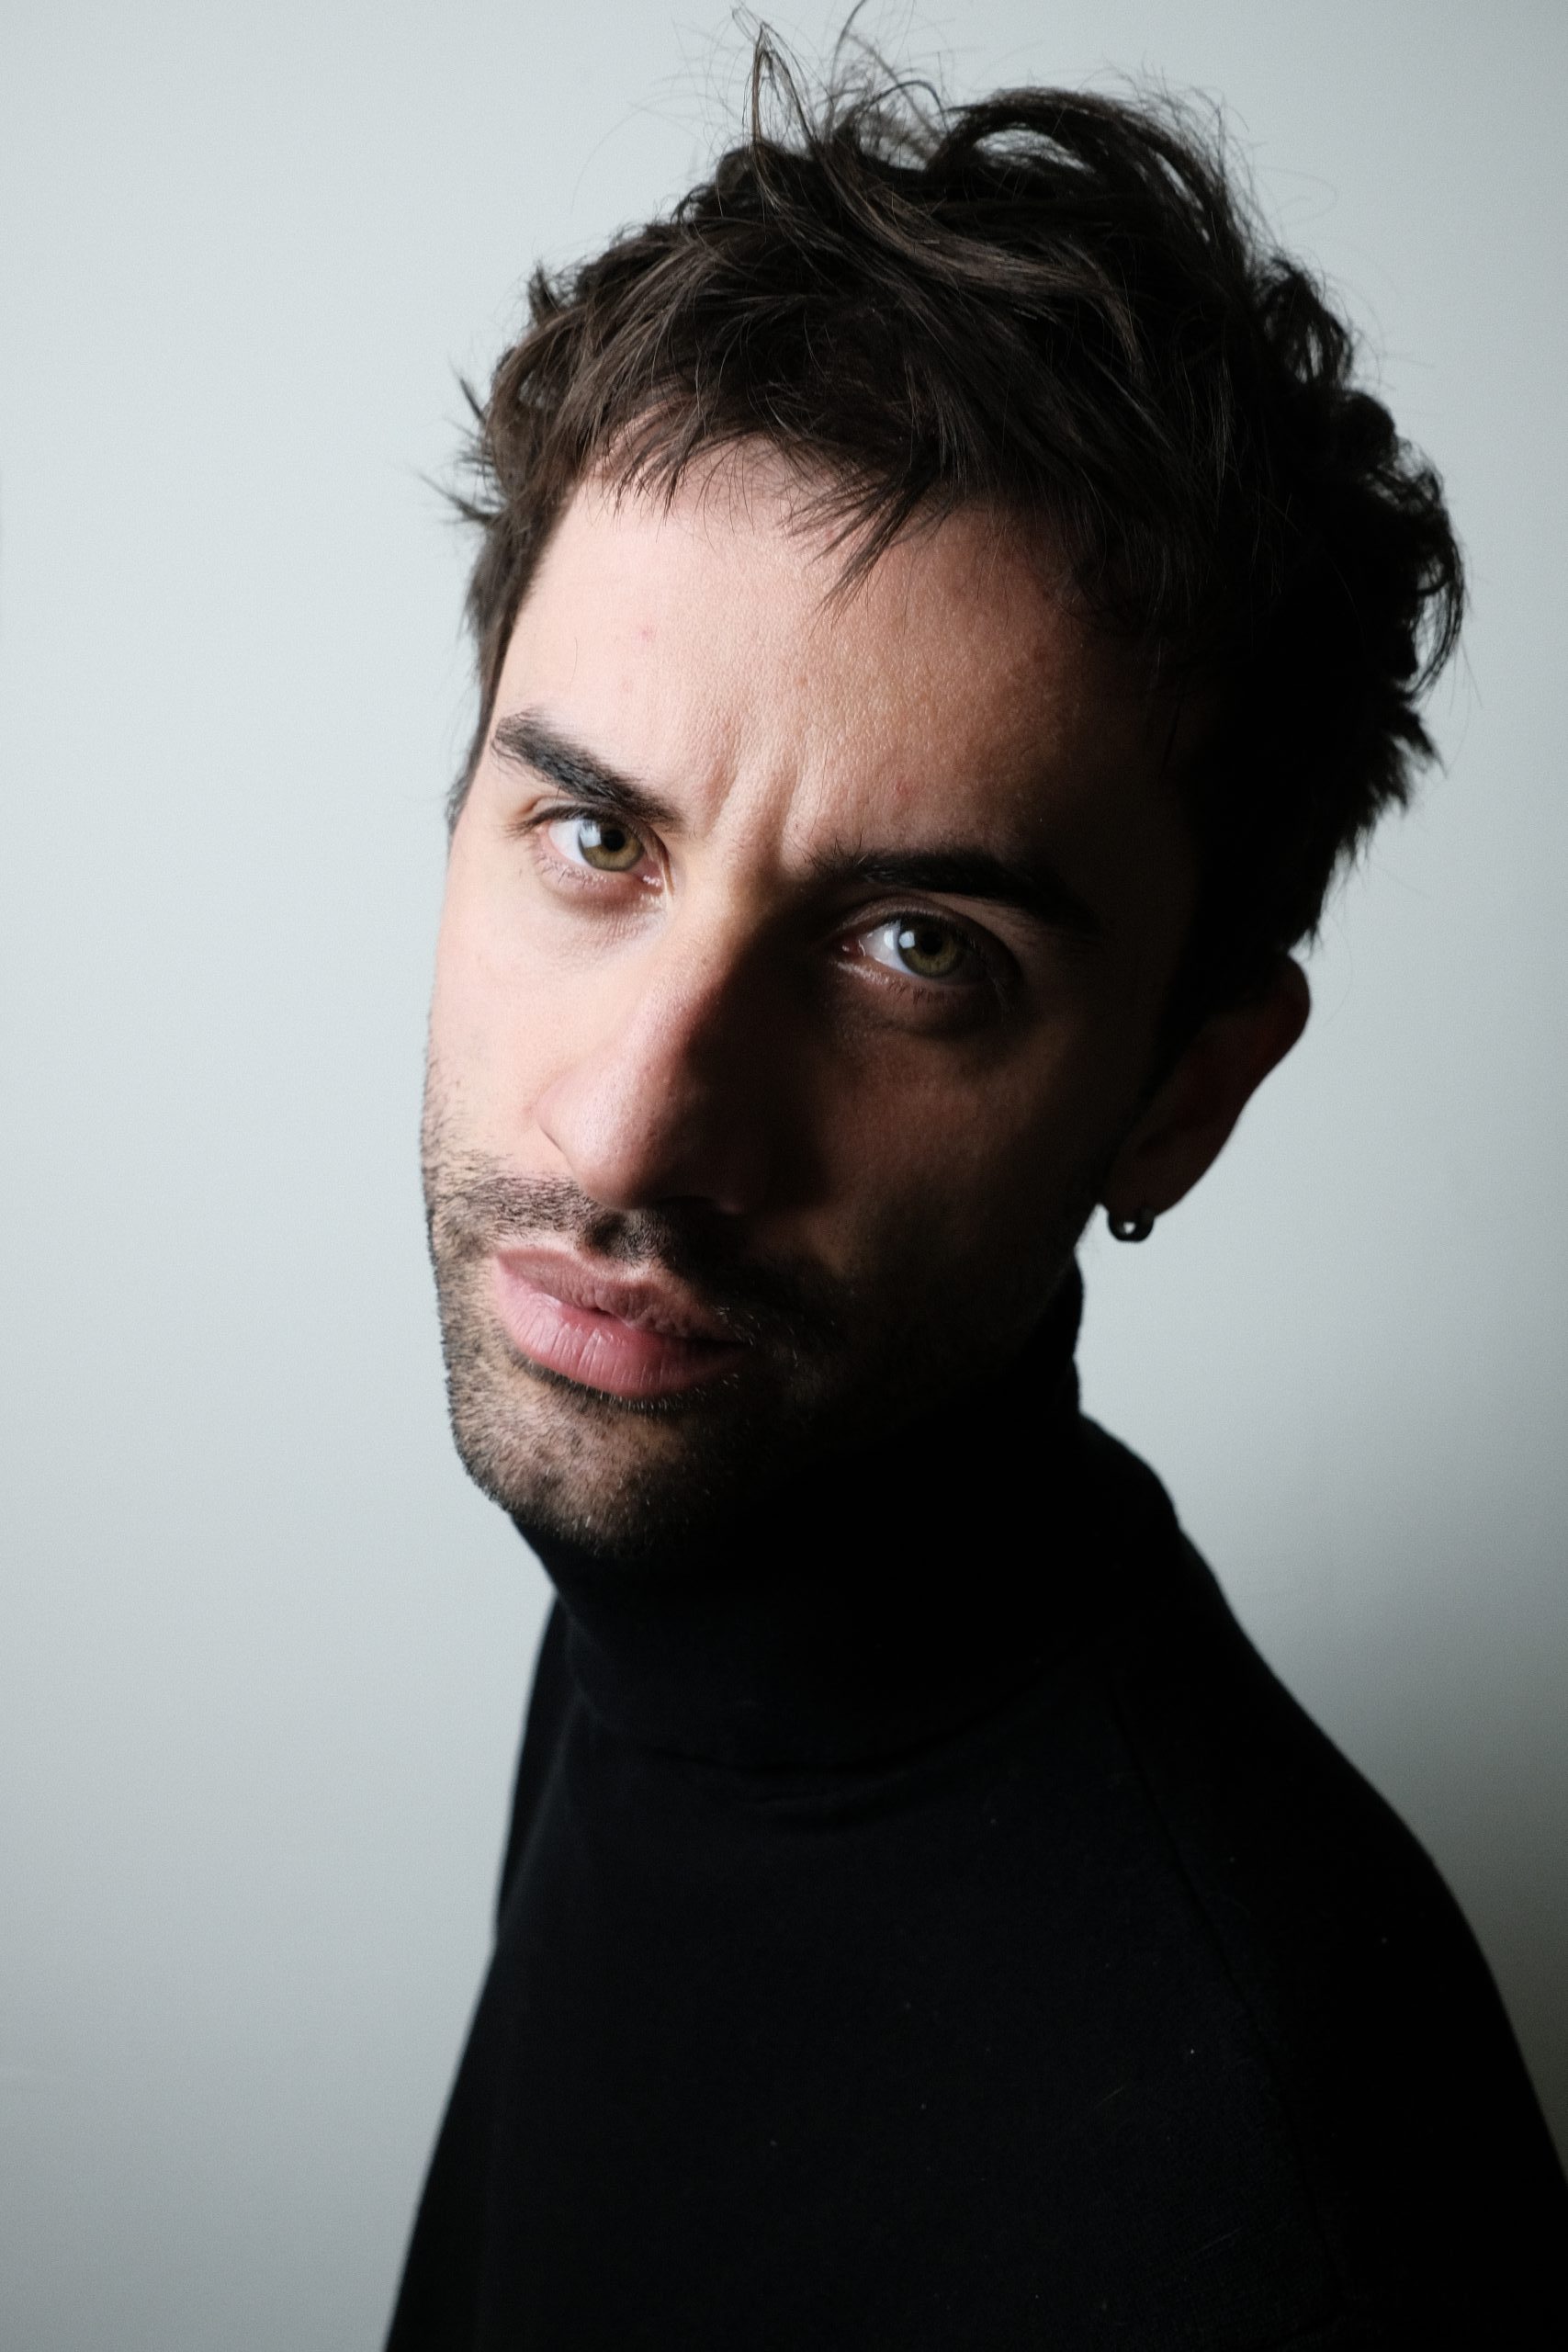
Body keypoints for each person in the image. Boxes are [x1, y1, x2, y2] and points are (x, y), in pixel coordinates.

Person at [388, 42, 1567, 2349]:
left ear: (1176, 1100)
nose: (629, 1135)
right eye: (595, 835)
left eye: (917, 948)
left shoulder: (1256, 2192)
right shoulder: (689, 1547)